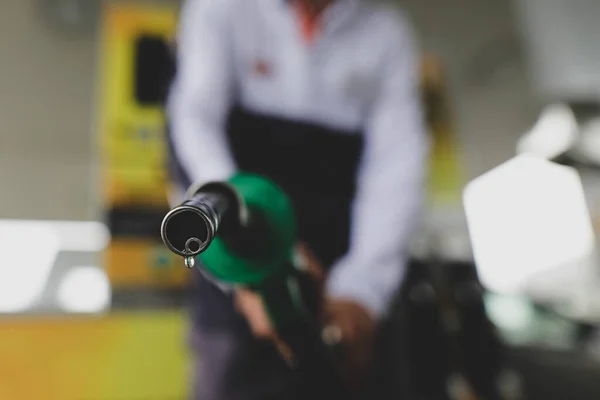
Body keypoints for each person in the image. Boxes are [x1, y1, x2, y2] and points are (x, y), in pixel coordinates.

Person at [167, 0, 429, 398]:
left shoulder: (385, 33)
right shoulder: (218, 10)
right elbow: (195, 124)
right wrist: (245, 271)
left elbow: (396, 165)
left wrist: (362, 289)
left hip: (344, 286)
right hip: (238, 293)